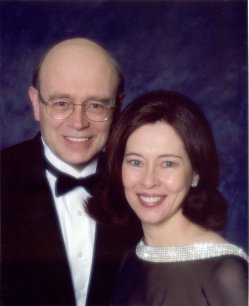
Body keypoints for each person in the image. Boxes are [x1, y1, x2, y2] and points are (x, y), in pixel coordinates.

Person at [1, 38, 140, 306]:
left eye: (96, 105)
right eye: (61, 103)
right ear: (35, 103)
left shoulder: (141, 187)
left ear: (118, 107)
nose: (79, 123)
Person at [87, 90, 249, 306]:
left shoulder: (225, 273)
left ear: (196, 171)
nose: (148, 180)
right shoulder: (131, 259)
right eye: (136, 162)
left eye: (168, 163)